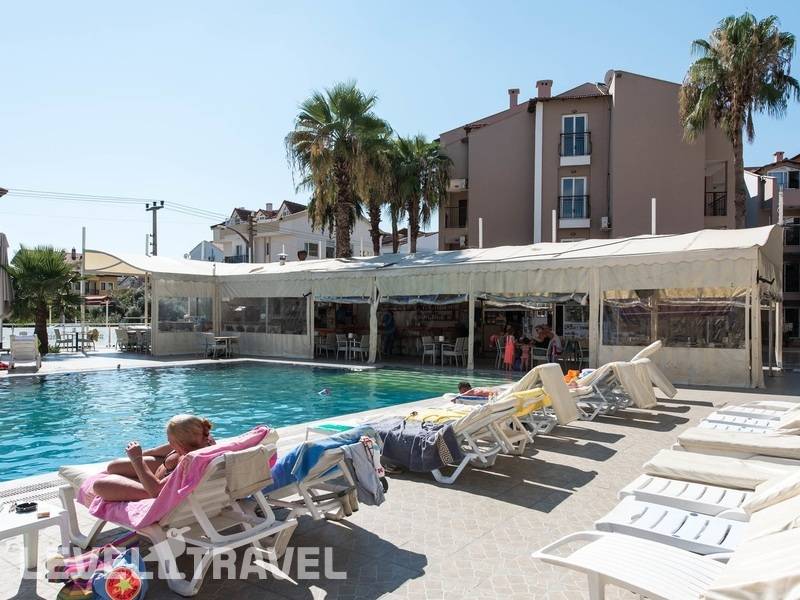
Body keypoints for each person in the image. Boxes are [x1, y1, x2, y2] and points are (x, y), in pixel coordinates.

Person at [93, 414, 215, 502]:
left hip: (157, 491)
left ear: (180, 442)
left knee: (100, 485)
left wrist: (137, 459)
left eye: (170, 440)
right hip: (163, 475)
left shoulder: (189, 460)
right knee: (114, 466)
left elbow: (157, 491)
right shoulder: (203, 440)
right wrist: (140, 454)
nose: (169, 443)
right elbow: (157, 451)